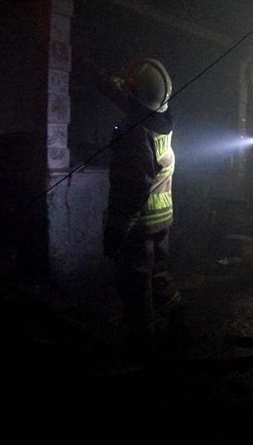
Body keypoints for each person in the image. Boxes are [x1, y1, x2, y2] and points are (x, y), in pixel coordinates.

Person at [83, 56, 182, 359]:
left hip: (138, 225)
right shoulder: (160, 121)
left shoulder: (134, 135)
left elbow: (132, 190)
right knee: (158, 274)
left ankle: (142, 343)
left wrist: (115, 232)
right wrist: (100, 75)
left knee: (134, 283)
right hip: (162, 217)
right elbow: (133, 97)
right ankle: (178, 319)